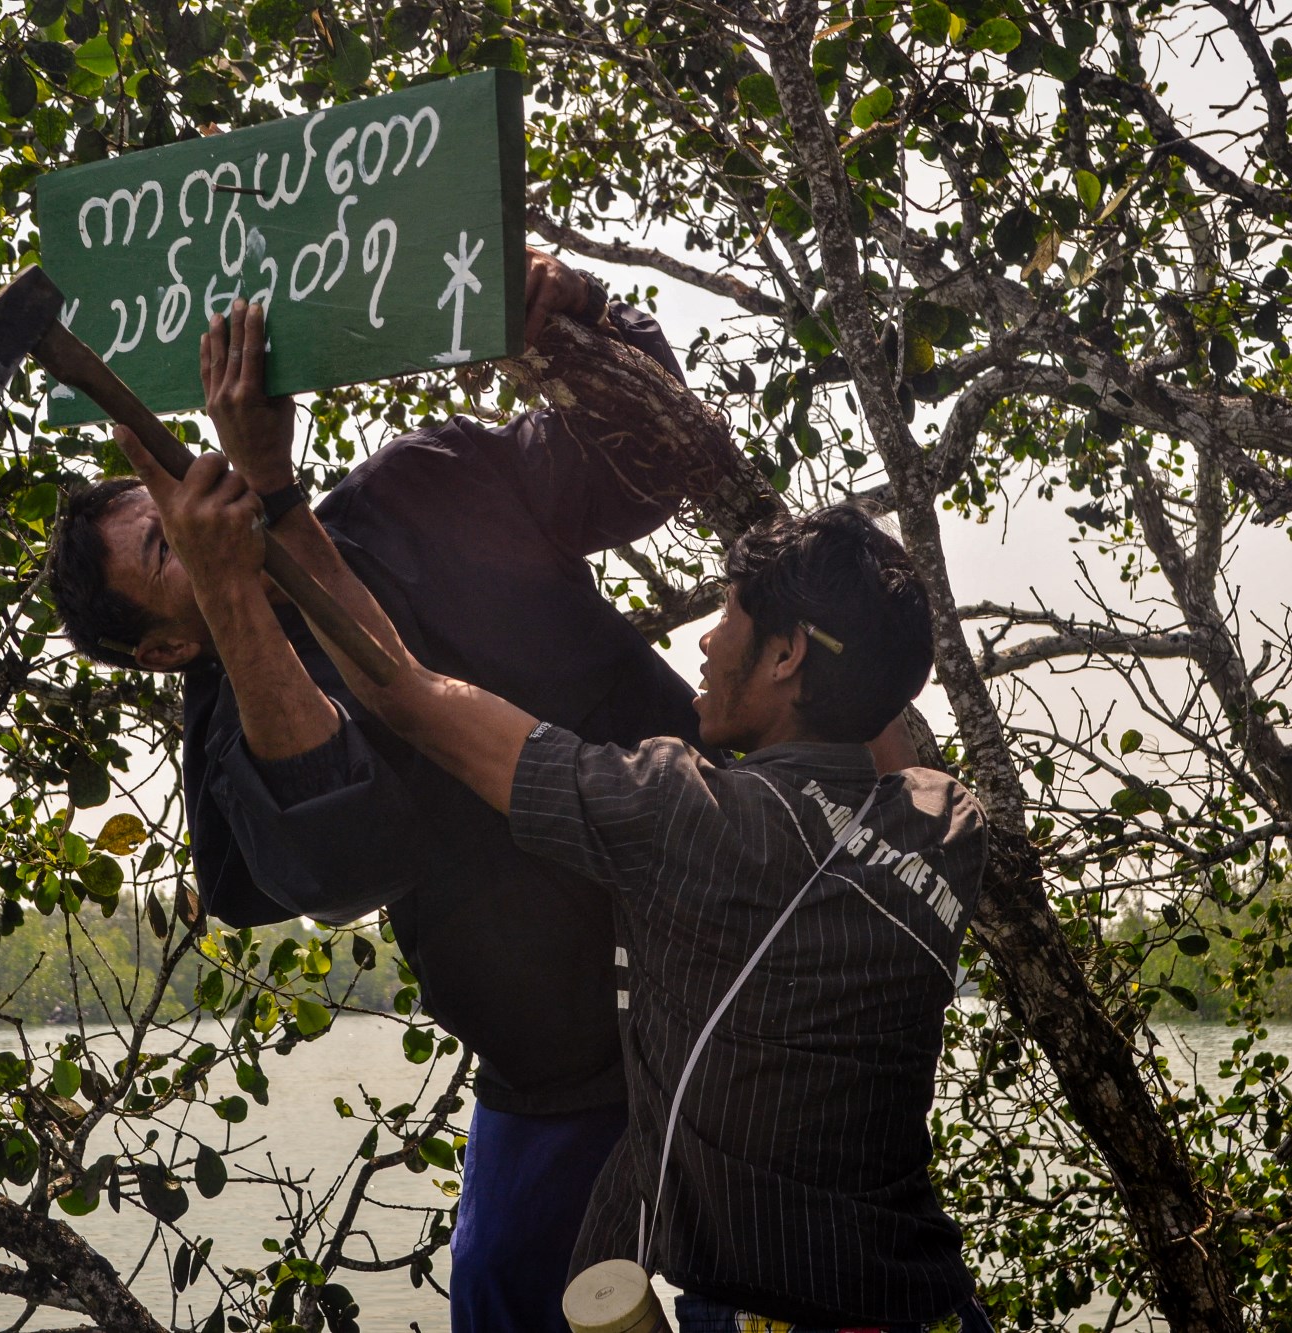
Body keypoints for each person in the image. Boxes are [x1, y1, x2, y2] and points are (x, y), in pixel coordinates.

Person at [112, 374, 992, 1332]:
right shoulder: (945, 821)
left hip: (773, 1297)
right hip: (929, 1299)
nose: (704, 639)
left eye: (731, 616)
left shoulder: (685, 817)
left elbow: (405, 691)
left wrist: (269, 510)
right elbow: (881, 733)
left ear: (786, 658)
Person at [47, 250, 771, 1331]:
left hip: (727, 970)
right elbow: (340, 867)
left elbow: (644, 466)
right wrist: (236, 595)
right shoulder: (224, 712)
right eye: (167, 543)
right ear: (160, 650)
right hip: (552, 1059)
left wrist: (582, 318)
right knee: (499, 1294)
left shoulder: (420, 481)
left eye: (178, 483)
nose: (200, 508)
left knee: (765, 1282)